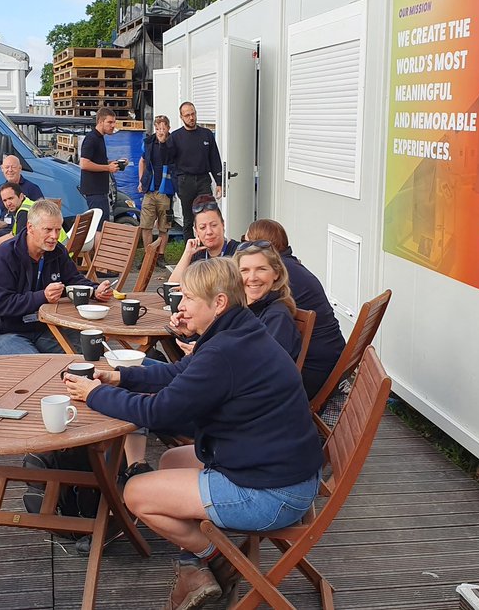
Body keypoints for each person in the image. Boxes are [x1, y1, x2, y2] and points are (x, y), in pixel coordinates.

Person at [63, 258, 323, 610]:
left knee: (136, 493)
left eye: (187, 298)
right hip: (282, 469)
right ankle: (200, 561)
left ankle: (217, 558)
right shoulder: (239, 330)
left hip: (272, 494)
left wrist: (94, 395)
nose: (180, 307)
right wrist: (120, 378)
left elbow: (158, 412)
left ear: (218, 302)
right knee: (170, 459)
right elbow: (180, 371)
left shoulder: (224, 351)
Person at [0, 199, 113, 355]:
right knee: (33, 366)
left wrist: (95, 290)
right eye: (48, 230)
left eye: (58, 230)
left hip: (42, 326)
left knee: (92, 350)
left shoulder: (57, 251)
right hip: (0, 333)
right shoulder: (4, 256)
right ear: (30, 228)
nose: (54, 236)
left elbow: (74, 280)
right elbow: (1, 305)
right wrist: (43, 296)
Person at [244, 219, 347, 399]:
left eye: (247, 243)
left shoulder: (284, 277)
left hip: (313, 369)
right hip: (330, 355)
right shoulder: (291, 266)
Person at [233, 240, 302, 362]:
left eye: (261, 269)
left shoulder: (277, 317)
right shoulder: (239, 308)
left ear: (276, 273)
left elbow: (263, 366)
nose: (252, 278)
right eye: (244, 270)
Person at [170, 102, 223, 240]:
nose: (191, 118)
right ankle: (191, 254)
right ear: (181, 117)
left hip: (203, 180)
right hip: (185, 181)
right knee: (188, 220)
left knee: (209, 215)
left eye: (193, 114)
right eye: (187, 115)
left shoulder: (206, 134)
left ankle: (210, 250)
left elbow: (214, 159)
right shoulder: (175, 137)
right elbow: (168, 161)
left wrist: (219, 182)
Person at [168, 195, 238, 283]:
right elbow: (173, 285)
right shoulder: (197, 255)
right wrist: (187, 254)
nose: (209, 232)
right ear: (196, 231)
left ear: (223, 224)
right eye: (202, 227)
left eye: (214, 225)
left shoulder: (238, 251)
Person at [79, 107, 125, 230]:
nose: (113, 125)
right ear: (100, 121)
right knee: (98, 227)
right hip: (94, 191)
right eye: (110, 122)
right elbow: (84, 163)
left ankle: (97, 249)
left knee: (102, 224)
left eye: (114, 122)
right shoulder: (91, 139)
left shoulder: (100, 138)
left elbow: (98, 161)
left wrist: (115, 163)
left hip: (100, 190)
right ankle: (98, 249)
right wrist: (107, 168)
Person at [0, 154, 44, 233]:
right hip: (2, 229)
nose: (10, 170)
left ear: (20, 168)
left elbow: (43, 212)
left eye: (13, 167)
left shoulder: (32, 188)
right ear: (2, 169)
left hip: (21, 232)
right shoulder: (0, 189)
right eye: (7, 167)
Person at [138, 114, 175, 260]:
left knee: (163, 226)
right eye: (158, 128)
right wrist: (141, 181)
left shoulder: (172, 143)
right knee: (146, 225)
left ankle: (160, 255)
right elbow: (142, 161)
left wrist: (163, 143)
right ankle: (148, 255)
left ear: (168, 129)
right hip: (150, 190)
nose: (160, 131)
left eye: (163, 128)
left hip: (165, 190)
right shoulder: (147, 142)